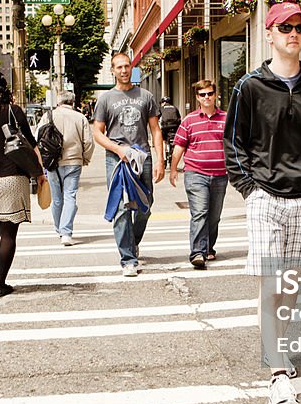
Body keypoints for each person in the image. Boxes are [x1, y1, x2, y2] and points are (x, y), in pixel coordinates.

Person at [223, 1, 301, 404]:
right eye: (284, 27)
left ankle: (277, 350)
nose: (293, 33)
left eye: (300, 28)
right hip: (265, 198)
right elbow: (233, 143)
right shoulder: (249, 87)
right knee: (271, 285)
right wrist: (249, 189)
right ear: (268, 34)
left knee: (291, 288)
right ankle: (278, 375)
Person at [0, 72, 46, 297]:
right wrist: (40, 173)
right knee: (9, 232)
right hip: (12, 176)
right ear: (4, 88)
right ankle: (1, 284)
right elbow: (31, 144)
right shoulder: (13, 112)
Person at [92, 52, 165, 276]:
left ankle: (132, 242)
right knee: (121, 208)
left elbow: (155, 130)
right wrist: (118, 149)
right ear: (113, 70)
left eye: (127, 66)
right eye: (119, 67)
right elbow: (97, 132)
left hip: (143, 157)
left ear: (131, 68)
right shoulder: (105, 99)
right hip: (116, 160)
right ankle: (128, 259)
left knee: (145, 206)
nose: (124, 70)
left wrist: (160, 160)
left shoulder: (146, 96)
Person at [168, 79, 228, 269]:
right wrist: (173, 169)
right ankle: (197, 253)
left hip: (220, 174)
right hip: (196, 173)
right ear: (197, 97)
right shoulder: (189, 120)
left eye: (210, 93)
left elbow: (235, 145)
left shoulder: (226, 118)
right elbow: (179, 147)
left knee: (214, 216)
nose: (207, 97)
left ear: (215, 95)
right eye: (202, 95)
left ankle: (208, 248)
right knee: (200, 213)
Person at [38, 90, 95, 246]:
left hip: (52, 163)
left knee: (57, 199)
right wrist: (85, 158)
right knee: (70, 196)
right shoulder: (80, 117)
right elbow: (89, 142)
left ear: (59, 101)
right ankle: (66, 233)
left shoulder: (47, 116)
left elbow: (38, 138)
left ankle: (59, 230)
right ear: (73, 102)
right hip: (73, 162)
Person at [159, 96, 181, 165]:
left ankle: (165, 159)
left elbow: (157, 117)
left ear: (164, 102)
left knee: (163, 140)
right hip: (175, 127)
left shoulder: (161, 108)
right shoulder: (175, 108)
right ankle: (173, 153)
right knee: (175, 141)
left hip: (165, 127)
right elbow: (179, 118)